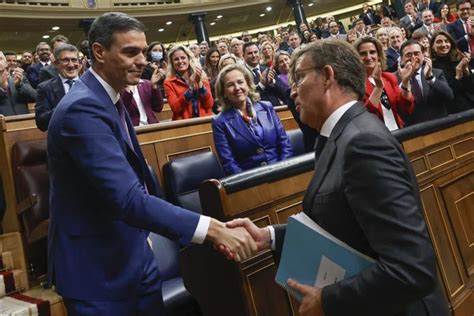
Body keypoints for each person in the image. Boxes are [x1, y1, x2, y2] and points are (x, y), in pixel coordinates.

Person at [47, 12, 257, 316]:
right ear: (98, 52)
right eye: (130, 52)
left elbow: (138, 178)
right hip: (98, 271)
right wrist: (211, 229)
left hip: (134, 254)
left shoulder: (113, 97)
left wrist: (144, 236)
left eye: (144, 51)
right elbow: (128, 198)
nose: (143, 60)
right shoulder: (82, 108)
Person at [224, 40, 450, 316]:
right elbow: (342, 222)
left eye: (300, 77)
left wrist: (328, 300)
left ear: (328, 76)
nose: (292, 90)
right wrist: (269, 236)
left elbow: (412, 268)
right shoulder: (336, 136)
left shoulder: (363, 143)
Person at [212, 64, 293, 175]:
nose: (237, 88)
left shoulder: (266, 107)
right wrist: (250, 184)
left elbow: (285, 143)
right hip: (250, 182)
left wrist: (282, 171)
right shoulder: (220, 122)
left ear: (248, 84)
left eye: (240, 82)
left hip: (282, 172)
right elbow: (229, 163)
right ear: (223, 92)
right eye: (230, 85)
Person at [355, 37, 414, 130]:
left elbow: (406, 108)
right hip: (376, 136)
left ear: (378, 55)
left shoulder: (389, 77)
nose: (368, 57)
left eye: (372, 52)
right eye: (363, 53)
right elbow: (366, 116)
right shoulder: (354, 84)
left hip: (399, 132)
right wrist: (378, 87)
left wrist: (405, 82)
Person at [398, 39, 453, 125]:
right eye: (408, 55)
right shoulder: (394, 79)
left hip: (441, 125)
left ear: (423, 56)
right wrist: (405, 81)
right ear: (401, 59)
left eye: (416, 53)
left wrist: (430, 78)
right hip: (414, 131)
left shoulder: (436, 73)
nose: (413, 58)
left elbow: (449, 96)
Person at [35, 44, 81, 131]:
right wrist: (66, 105)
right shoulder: (45, 88)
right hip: (62, 140)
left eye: (74, 60)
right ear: (56, 64)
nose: (71, 65)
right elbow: (41, 123)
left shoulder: (91, 85)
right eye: (65, 60)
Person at [164, 45, 213, 120]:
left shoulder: (201, 75)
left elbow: (209, 104)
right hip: (184, 125)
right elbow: (175, 108)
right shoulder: (169, 82)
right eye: (176, 59)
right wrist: (190, 89)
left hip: (204, 121)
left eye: (183, 58)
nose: (180, 61)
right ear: (172, 63)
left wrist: (200, 84)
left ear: (189, 59)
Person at [431, 31, 474, 113]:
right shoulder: (432, 67)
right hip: (453, 111)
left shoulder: (459, 58)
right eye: (439, 42)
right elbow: (447, 94)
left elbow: (471, 88)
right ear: (433, 46)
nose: (444, 45)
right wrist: (457, 76)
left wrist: (466, 72)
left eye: (446, 41)